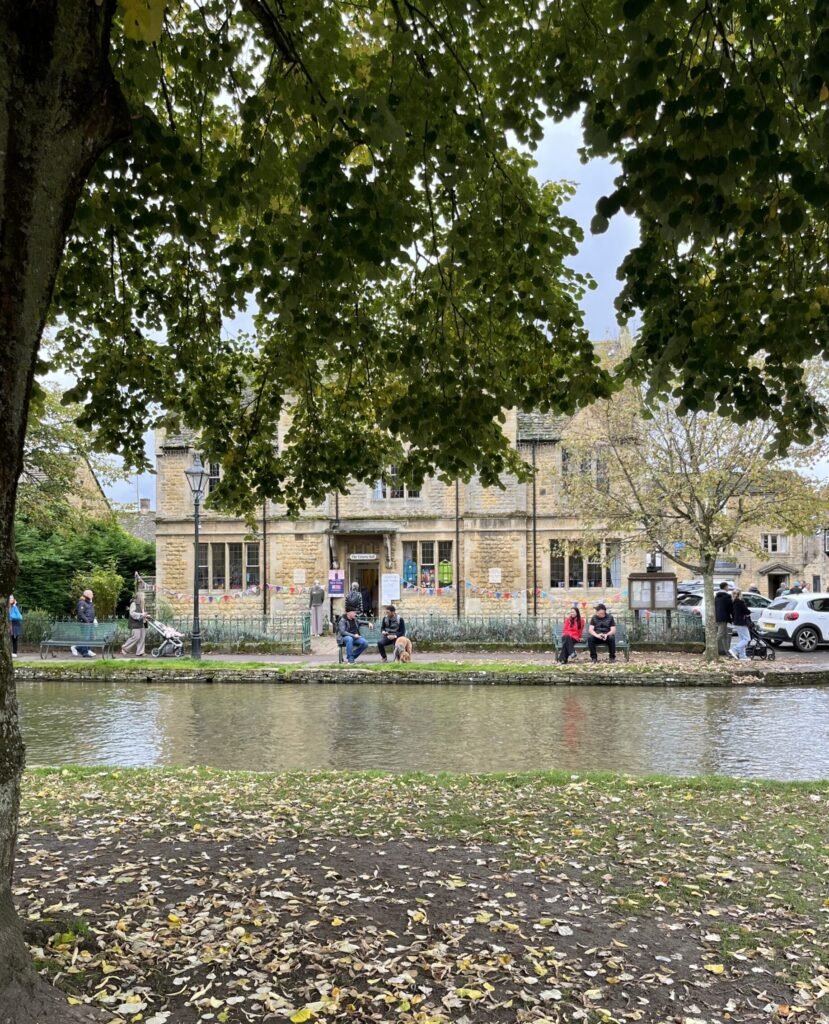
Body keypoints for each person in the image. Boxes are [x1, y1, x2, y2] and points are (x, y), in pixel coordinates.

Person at [120, 593, 148, 657]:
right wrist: (141, 615)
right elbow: (132, 613)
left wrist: (145, 615)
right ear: (140, 597)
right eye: (144, 596)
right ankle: (124, 647)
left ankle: (140, 652)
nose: (144, 598)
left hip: (142, 623)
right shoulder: (134, 603)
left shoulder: (142, 604)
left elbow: (142, 613)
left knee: (142, 638)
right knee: (136, 637)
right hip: (135, 623)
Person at [72, 589, 97, 658]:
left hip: (90, 623)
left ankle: (80, 648)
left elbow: (91, 612)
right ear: (88, 594)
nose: (93, 595)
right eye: (92, 594)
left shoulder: (89, 602)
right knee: (86, 638)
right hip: (85, 623)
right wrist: (87, 621)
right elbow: (80, 613)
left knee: (90, 637)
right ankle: (85, 652)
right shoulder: (82, 602)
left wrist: (94, 619)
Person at [729, 589, 751, 660]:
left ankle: (742, 656)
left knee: (742, 639)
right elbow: (746, 611)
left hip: (736, 622)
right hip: (741, 622)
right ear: (740, 594)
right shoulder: (740, 602)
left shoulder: (733, 602)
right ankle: (734, 649)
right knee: (747, 639)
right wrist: (749, 612)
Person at [714, 581, 733, 656]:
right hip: (723, 618)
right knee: (720, 634)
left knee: (724, 636)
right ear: (725, 587)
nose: (728, 588)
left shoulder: (717, 596)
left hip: (718, 617)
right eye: (728, 587)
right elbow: (730, 608)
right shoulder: (726, 596)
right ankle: (709, 649)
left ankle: (727, 651)